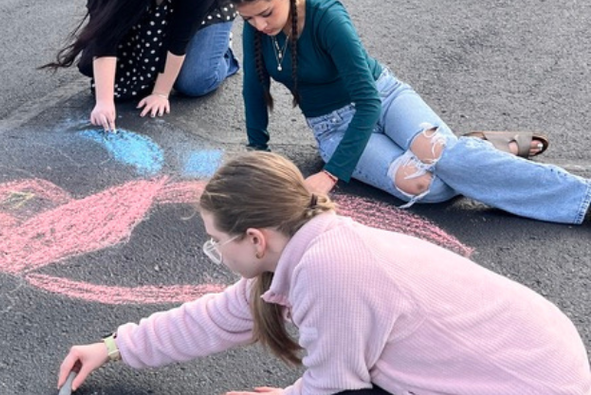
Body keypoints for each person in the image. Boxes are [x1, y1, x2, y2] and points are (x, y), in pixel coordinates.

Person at [58, 150, 590, 395]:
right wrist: (112, 347)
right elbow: (217, 317)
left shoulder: (330, 273)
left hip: (532, 381)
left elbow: (336, 387)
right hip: (533, 358)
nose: (214, 252)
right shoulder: (311, 243)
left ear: (255, 240)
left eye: (215, 241)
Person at [226, 0, 591, 225]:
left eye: (266, 13)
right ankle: (480, 150)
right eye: (248, 18)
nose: (259, 25)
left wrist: (331, 173)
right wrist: (259, 155)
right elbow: (254, 91)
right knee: (427, 186)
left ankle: (581, 200)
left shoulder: (327, 16)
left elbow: (368, 100)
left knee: (445, 157)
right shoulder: (256, 30)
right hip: (333, 128)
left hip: (382, 99)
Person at [44, 0, 239, 131]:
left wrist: (161, 93)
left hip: (206, 7)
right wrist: (104, 102)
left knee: (193, 82)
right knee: (111, 78)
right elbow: (104, 29)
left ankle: (223, 51)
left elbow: (180, 34)